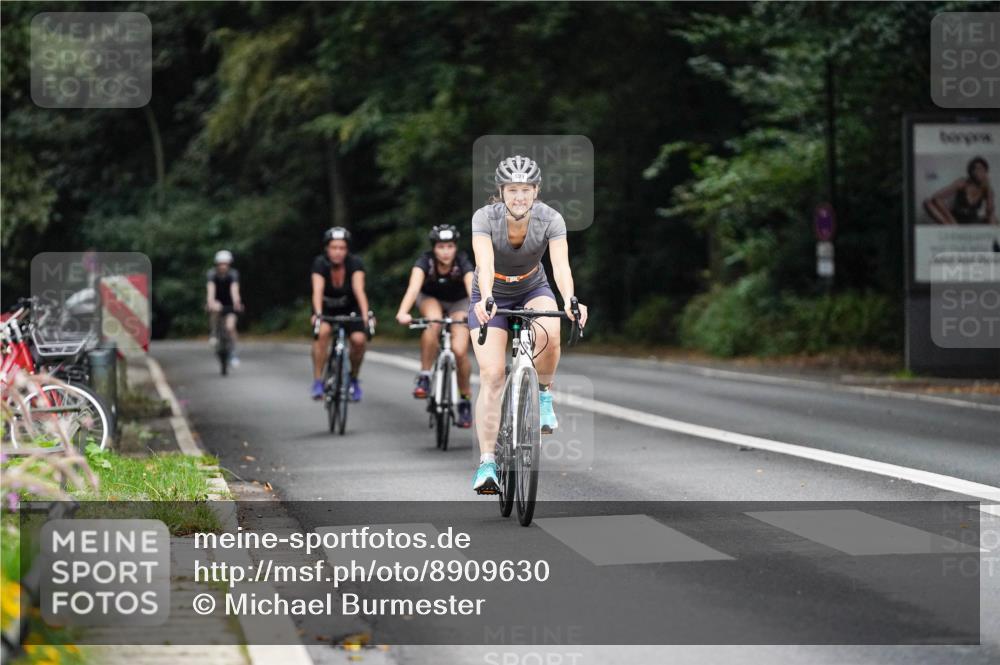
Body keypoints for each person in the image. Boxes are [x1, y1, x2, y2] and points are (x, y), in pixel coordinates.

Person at [468, 156, 588, 493]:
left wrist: (570, 300)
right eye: (512, 190)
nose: (519, 197)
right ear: (501, 192)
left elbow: (561, 267)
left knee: (550, 332)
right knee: (492, 376)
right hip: (490, 292)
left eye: (525, 190)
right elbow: (485, 263)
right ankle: (487, 463)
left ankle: (544, 395)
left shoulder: (550, 219)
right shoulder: (485, 218)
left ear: (536, 191)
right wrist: (487, 298)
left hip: (532, 286)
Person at [395, 224, 475, 427]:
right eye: (441, 247)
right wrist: (403, 312)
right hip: (431, 299)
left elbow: (472, 288)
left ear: (455, 247)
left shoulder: (463, 261)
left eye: (449, 246)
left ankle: (464, 400)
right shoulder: (425, 261)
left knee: (459, 349)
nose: (446, 252)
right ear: (434, 247)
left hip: (460, 303)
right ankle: (424, 375)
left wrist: (476, 311)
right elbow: (413, 289)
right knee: (434, 322)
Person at [310, 227, 371, 401]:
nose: (337, 252)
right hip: (326, 308)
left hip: (351, 308)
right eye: (334, 247)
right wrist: (318, 313)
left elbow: (359, 290)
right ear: (327, 249)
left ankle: (353, 378)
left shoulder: (355, 263)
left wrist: (366, 316)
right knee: (322, 333)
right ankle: (317, 381)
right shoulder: (320, 264)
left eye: (342, 248)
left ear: (347, 249)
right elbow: (317, 291)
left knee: (359, 340)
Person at [924, 156, 998, 225]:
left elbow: (989, 212)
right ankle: (952, 227)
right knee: (927, 202)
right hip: (955, 218)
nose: (977, 172)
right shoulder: (963, 182)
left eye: (980, 169)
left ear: (986, 172)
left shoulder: (987, 189)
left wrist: (988, 189)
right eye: (974, 169)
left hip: (972, 220)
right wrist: (951, 218)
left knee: (993, 218)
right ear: (970, 172)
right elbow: (936, 196)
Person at [206, 250, 243, 366]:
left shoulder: (233, 274)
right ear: (217, 264)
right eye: (221, 263)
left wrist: (237, 302)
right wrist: (210, 302)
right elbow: (211, 290)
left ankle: (232, 353)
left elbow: (234, 290)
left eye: (225, 263)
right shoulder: (212, 274)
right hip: (217, 302)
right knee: (215, 309)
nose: (223, 266)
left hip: (230, 304)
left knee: (230, 327)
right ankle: (214, 334)